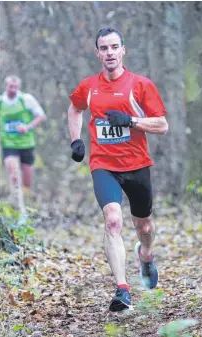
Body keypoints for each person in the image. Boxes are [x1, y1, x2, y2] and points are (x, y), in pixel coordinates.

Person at [68, 27, 168, 312]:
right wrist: (75, 140)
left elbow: (162, 125)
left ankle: (145, 257)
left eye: (114, 47)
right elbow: (74, 109)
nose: (109, 53)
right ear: (97, 52)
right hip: (104, 164)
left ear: (124, 50)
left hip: (137, 164)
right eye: (104, 48)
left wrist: (131, 121)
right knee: (112, 220)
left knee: (144, 226)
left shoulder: (140, 84)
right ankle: (122, 290)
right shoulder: (89, 86)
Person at [0, 75, 46, 216]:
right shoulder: (0, 102)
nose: (13, 89)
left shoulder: (26, 99)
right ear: (6, 86)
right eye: (10, 86)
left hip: (26, 144)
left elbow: (41, 116)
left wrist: (28, 126)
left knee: (27, 181)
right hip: (9, 144)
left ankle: (25, 201)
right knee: (13, 173)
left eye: (15, 87)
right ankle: (20, 209)